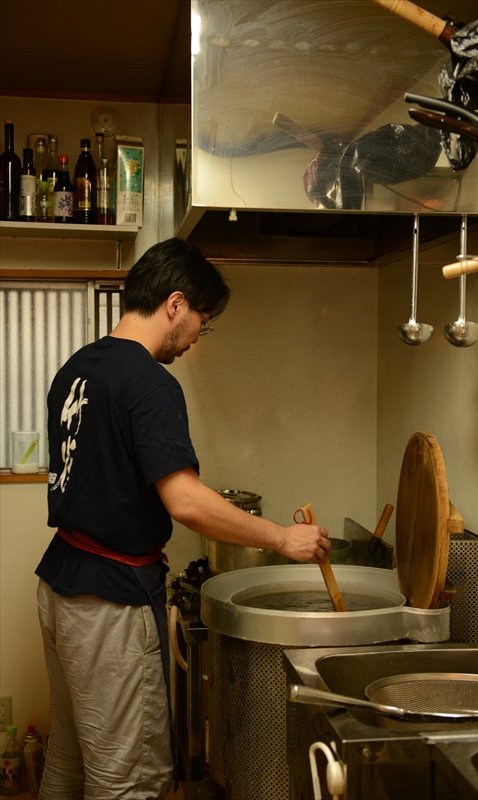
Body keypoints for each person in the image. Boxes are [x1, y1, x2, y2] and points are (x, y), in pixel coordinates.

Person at [36, 237, 331, 800]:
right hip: (109, 600)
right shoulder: (149, 381)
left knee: (70, 760)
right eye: (203, 320)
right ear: (175, 304)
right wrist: (281, 538)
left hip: (61, 586)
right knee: (128, 780)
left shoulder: (77, 368)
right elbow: (187, 501)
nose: (198, 338)